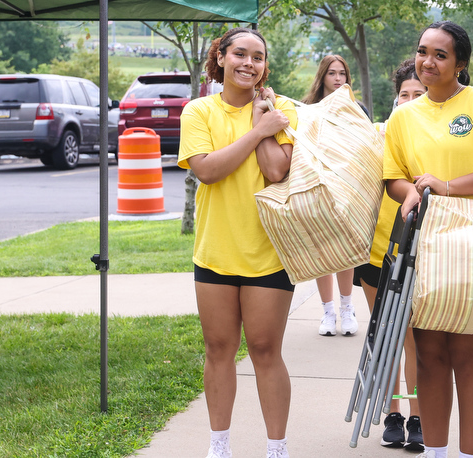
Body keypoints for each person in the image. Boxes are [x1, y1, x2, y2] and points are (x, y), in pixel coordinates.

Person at [383, 21, 473, 458]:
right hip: (425, 244)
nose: (428, 61)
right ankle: (438, 453)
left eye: (440, 55)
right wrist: (410, 195)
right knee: (429, 356)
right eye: (423, 51)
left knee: (468, 356)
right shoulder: (403, 116)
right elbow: (394, 179)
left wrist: (445, 185)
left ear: (460, 63)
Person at [177, 27, 297, 458]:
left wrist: (264, 120)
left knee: (266, 351)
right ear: (221, 58)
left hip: (269, 253)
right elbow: (207, 171)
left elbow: (277, 171)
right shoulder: (198, 111)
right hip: (216, 252)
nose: (249, 63)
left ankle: (276, 448)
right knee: (218, 350)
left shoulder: (279, 111)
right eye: (240, 54)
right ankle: (219, 446)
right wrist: (256, 128)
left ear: (265, 66)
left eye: (258, 57)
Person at [353, 57, 426, 452]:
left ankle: (418, 415)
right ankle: (392, 413)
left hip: (421, 255)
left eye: (419, 94)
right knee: (386, 337)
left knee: (414, 338)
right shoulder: (377, 135)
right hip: (377, 252)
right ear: (395, 98)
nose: (410, 101)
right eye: (404, 95)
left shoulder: (435, 137)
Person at [301, 54, 363, 336]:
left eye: (342, 73)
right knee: (322, 250)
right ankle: (328, 312)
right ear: (322, 77)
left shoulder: (356, 108)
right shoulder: (308, 109)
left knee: (345, 251)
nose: (338, 79)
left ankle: (347, 309)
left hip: (348, 187)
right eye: (332, 73)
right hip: (317, 186)